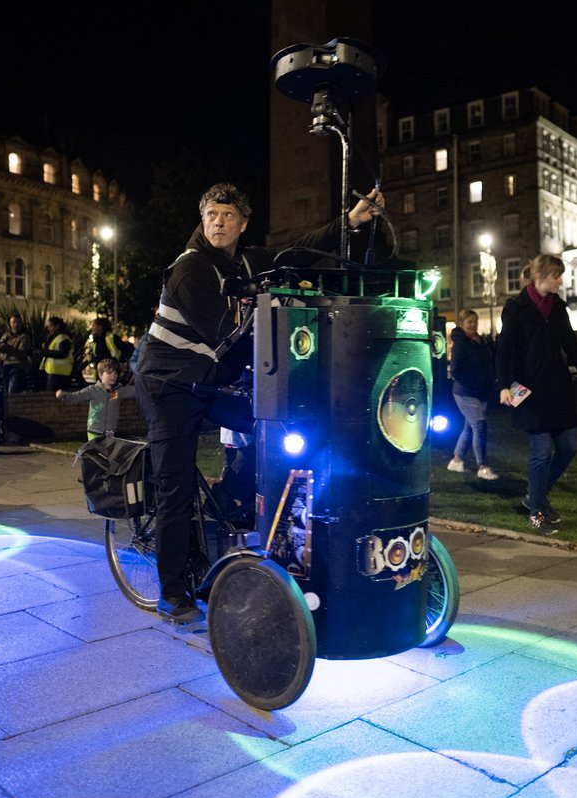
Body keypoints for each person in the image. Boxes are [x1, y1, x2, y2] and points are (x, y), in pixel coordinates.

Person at [134, 181, 385, 622]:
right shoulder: (190, 269)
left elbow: (296, 252)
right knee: (175, 486)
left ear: (242, 224)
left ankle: (231, 499)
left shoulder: (244, 260)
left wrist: (349, 221)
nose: (218, 222)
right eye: (211, 214)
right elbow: (229, 337)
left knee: (274, 428)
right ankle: (171, 591)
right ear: (202, 220)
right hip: (167, 386)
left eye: (227, 216)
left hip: (203, 382)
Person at [495, 254, 577, 535]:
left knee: (569, 447)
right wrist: (503, 385)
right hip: (528, 391)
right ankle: (537, 513)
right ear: (541, 277)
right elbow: (504, 349)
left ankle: (534, 496)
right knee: (540, 452)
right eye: (556, 275)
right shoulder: (516, 307)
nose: (561, 280)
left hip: (558, 390)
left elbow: (573, 349)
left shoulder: (559, 308)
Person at [446, 309, 498, 480]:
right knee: (480, 426)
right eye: (469, 322)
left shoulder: (480, 341)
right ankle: (482, 466)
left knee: (469, 428)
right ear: (462, 324)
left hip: (480, 391)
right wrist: (473, 383)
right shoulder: (461, 344)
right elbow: (455, 370)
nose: (473, 325)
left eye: (475, 321)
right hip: (466, 392)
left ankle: (457, 460)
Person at [55, 358, 134, 440]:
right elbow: (76, 397)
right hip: (94, 431)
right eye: (109, 373)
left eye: (115, 373)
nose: (114, 376)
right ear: (100, 375)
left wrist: (146, 386)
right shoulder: (93, 390)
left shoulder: (119, 391)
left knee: (107, 452)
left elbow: (135, 391)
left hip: (110, 433)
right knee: (96, 452)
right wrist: (63, 396)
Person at [0, 314, 32, 393]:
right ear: (10, 324)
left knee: (12, 391)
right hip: (5, 366)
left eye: (18, 322)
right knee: (6, 392)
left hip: (17, 367)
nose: (16, 324)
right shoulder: (6, 336)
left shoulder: (24, 337)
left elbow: (22, 353)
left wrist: (7, 348)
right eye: (14, 322)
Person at [36, 316, 74, 392]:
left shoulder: (62, 338)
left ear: (57, 326)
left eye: (51, 326)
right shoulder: (54, 338)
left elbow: (62, 353)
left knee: (52, 397)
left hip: (59, 373)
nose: (48, 329)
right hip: (55, 372)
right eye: (47, 327)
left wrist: (44, 352)